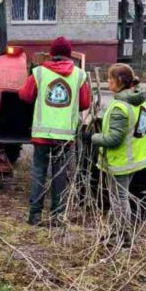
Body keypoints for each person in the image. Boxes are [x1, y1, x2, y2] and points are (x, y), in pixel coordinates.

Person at [18, 36, 91, 226]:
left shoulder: (39, 72)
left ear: (51, 54)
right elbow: (85, 103)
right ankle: (57, 217)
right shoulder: (79, 75)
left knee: (39, 173)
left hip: (42, 135)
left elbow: (25, 95)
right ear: (68, 55)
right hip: (65, 137)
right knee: (60, 176)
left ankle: (34, 216)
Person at [90, 62, 146, 246]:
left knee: (119, 200)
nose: (108, 81)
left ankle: (123, 237)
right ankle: (116, 231)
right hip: (135, 157)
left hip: (121, 160)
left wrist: (94, 137)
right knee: (120, 197)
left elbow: (114, 139)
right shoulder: (136, 99)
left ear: (120, 81)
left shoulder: (119, 107)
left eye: (110, 78)